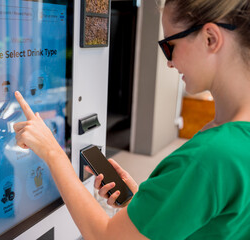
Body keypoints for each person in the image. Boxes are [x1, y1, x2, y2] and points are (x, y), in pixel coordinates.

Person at [13, 0, 250, 239]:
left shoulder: (209, 158)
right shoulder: (232, 142)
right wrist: (148, 206)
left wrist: (52, 152)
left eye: (170, 46)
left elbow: (104, 236)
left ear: (210, 38)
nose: (169, 62)